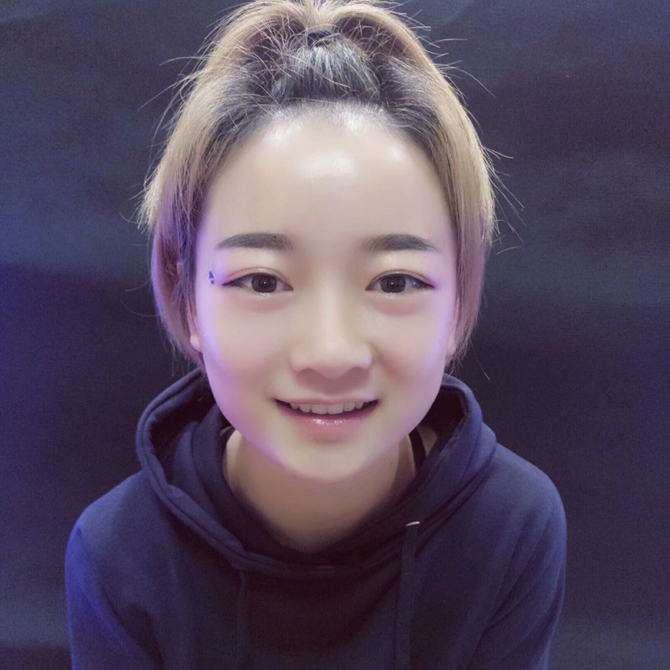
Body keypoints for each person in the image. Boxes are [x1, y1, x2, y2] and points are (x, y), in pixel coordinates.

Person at [64, 1, 567, 668]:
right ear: (189, 302)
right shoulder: (117, 555)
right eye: (263, 281)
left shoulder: (511, 526)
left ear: (457, 301)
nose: (331, 354)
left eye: (395, 281)